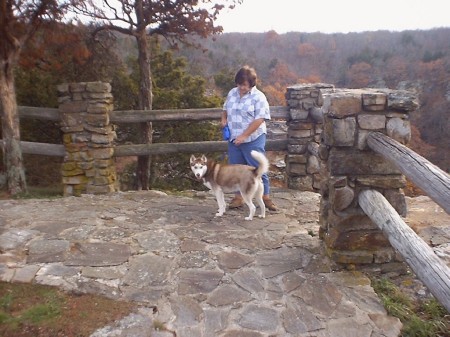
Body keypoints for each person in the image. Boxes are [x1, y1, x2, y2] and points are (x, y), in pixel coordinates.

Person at [221, 65, 277, 211]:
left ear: (252, 84)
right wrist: (224, 119)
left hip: (253, 138)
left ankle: (265, 197)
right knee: (236, 168)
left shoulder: (259, 97)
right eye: (239, 84)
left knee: (257, 168)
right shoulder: (232, 93)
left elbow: (260, 119)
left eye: (244, 85)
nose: (241, 87)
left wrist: (244, 135)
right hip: (234, 138)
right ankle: (238, 196)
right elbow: (225, 109)